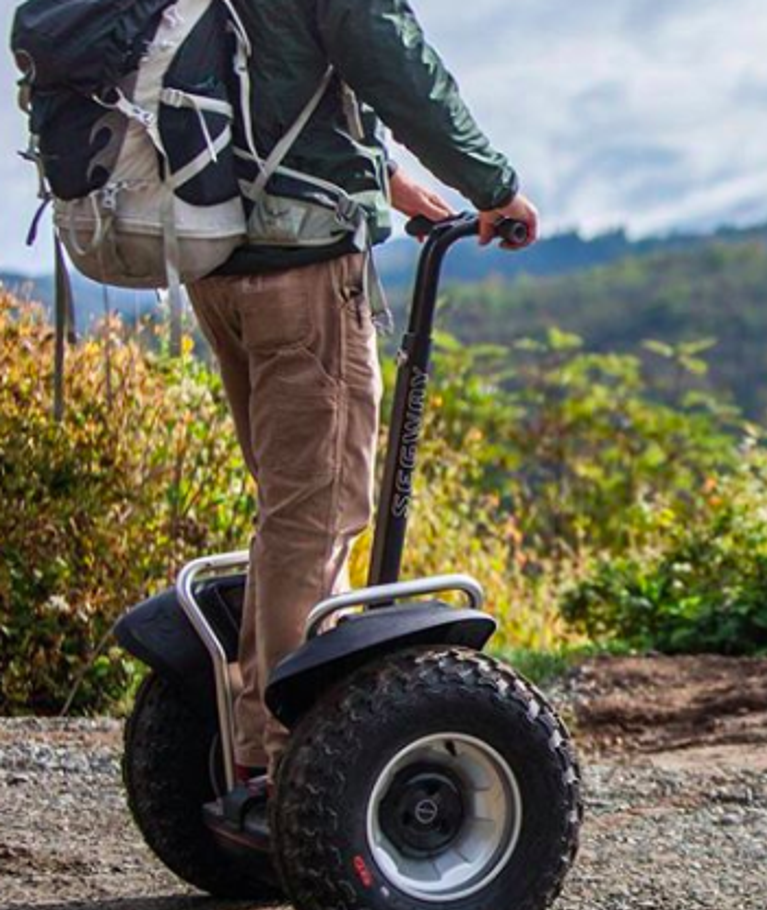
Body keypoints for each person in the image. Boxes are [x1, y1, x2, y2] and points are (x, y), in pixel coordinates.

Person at [187, 0, 539, 789]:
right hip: (302, 269)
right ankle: (295, 768)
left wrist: (390, 183)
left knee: (289, 509)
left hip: (218, 259)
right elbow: (400, 69)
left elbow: (268, 88)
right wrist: (495, 185)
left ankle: (249, 743)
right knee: (316, 518)